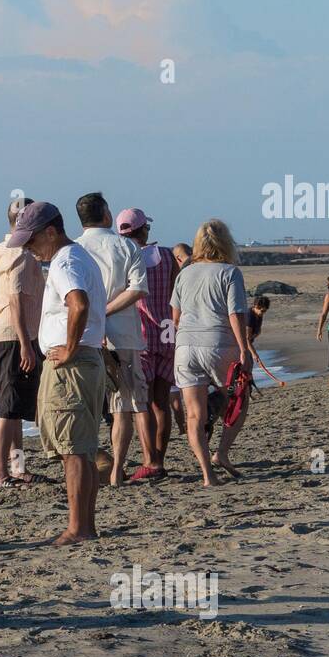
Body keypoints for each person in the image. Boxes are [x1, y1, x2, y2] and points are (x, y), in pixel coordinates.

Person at [7, 201, 106, 544]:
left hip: (72, 367)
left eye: (31, 241)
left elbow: (78, 303)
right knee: (82, 449)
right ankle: (85, 526)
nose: (29, 249)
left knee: (73, 450)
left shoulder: (65, 261)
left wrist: (69, 347)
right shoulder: (76, 257)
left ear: (51, 232)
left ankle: (79, 528)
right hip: (86, 361)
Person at [170, 219, 252, 486]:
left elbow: (176, 317)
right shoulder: (229, 272)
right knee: (239, 400)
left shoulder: (185, 273)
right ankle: (222, 453)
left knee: (194, 414)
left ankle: (207, 474)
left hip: (185, 347)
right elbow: (235, 314)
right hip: (218, 343)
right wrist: (244, 349)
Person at [76, 195, 148, 486]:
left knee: (87, 405)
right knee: (123, 407)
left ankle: (93, 466)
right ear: (106, 214)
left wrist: (96, 313)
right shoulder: (126, 245)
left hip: (83, 334)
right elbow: (138, 289)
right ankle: (116, 468)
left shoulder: (75, 249)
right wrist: (106, 311)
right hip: (123, 334)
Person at [0, 195, 45, 489]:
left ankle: (18, 467)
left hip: (1, 334)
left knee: (16, 407)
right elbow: (15, 298)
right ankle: (0, 474)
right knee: (9, 409)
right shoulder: (20, 254)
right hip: (14, 335)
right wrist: (26, 343)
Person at [117, 207, 176, 481]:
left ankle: (150, 460)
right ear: (145, 229)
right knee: (161, 402)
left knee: (143, 402)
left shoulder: (124, 257)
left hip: (140, 333)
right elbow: (176, 292)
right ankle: (159, 459)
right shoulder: (166, 255)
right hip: (167, 330)